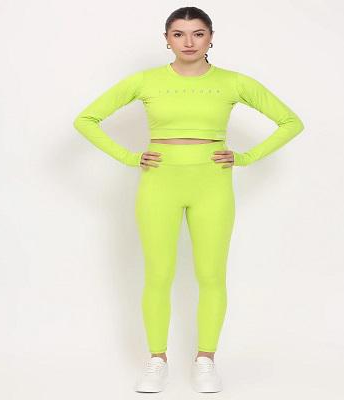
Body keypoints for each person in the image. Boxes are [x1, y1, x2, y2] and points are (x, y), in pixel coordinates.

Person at [73, 6, 304, 394]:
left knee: (211, 275)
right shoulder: (146, 80)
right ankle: (156, 360)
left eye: (198, 33)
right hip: (159, 184)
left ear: (211, 37)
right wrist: (129, 157)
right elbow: (85, 120)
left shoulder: (232, 82)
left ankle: (205, 360)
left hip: (212, 185)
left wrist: (247, 157)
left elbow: (291, 122)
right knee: (158, 275)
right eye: (178, 34)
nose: (189, 42)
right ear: (166, 39)